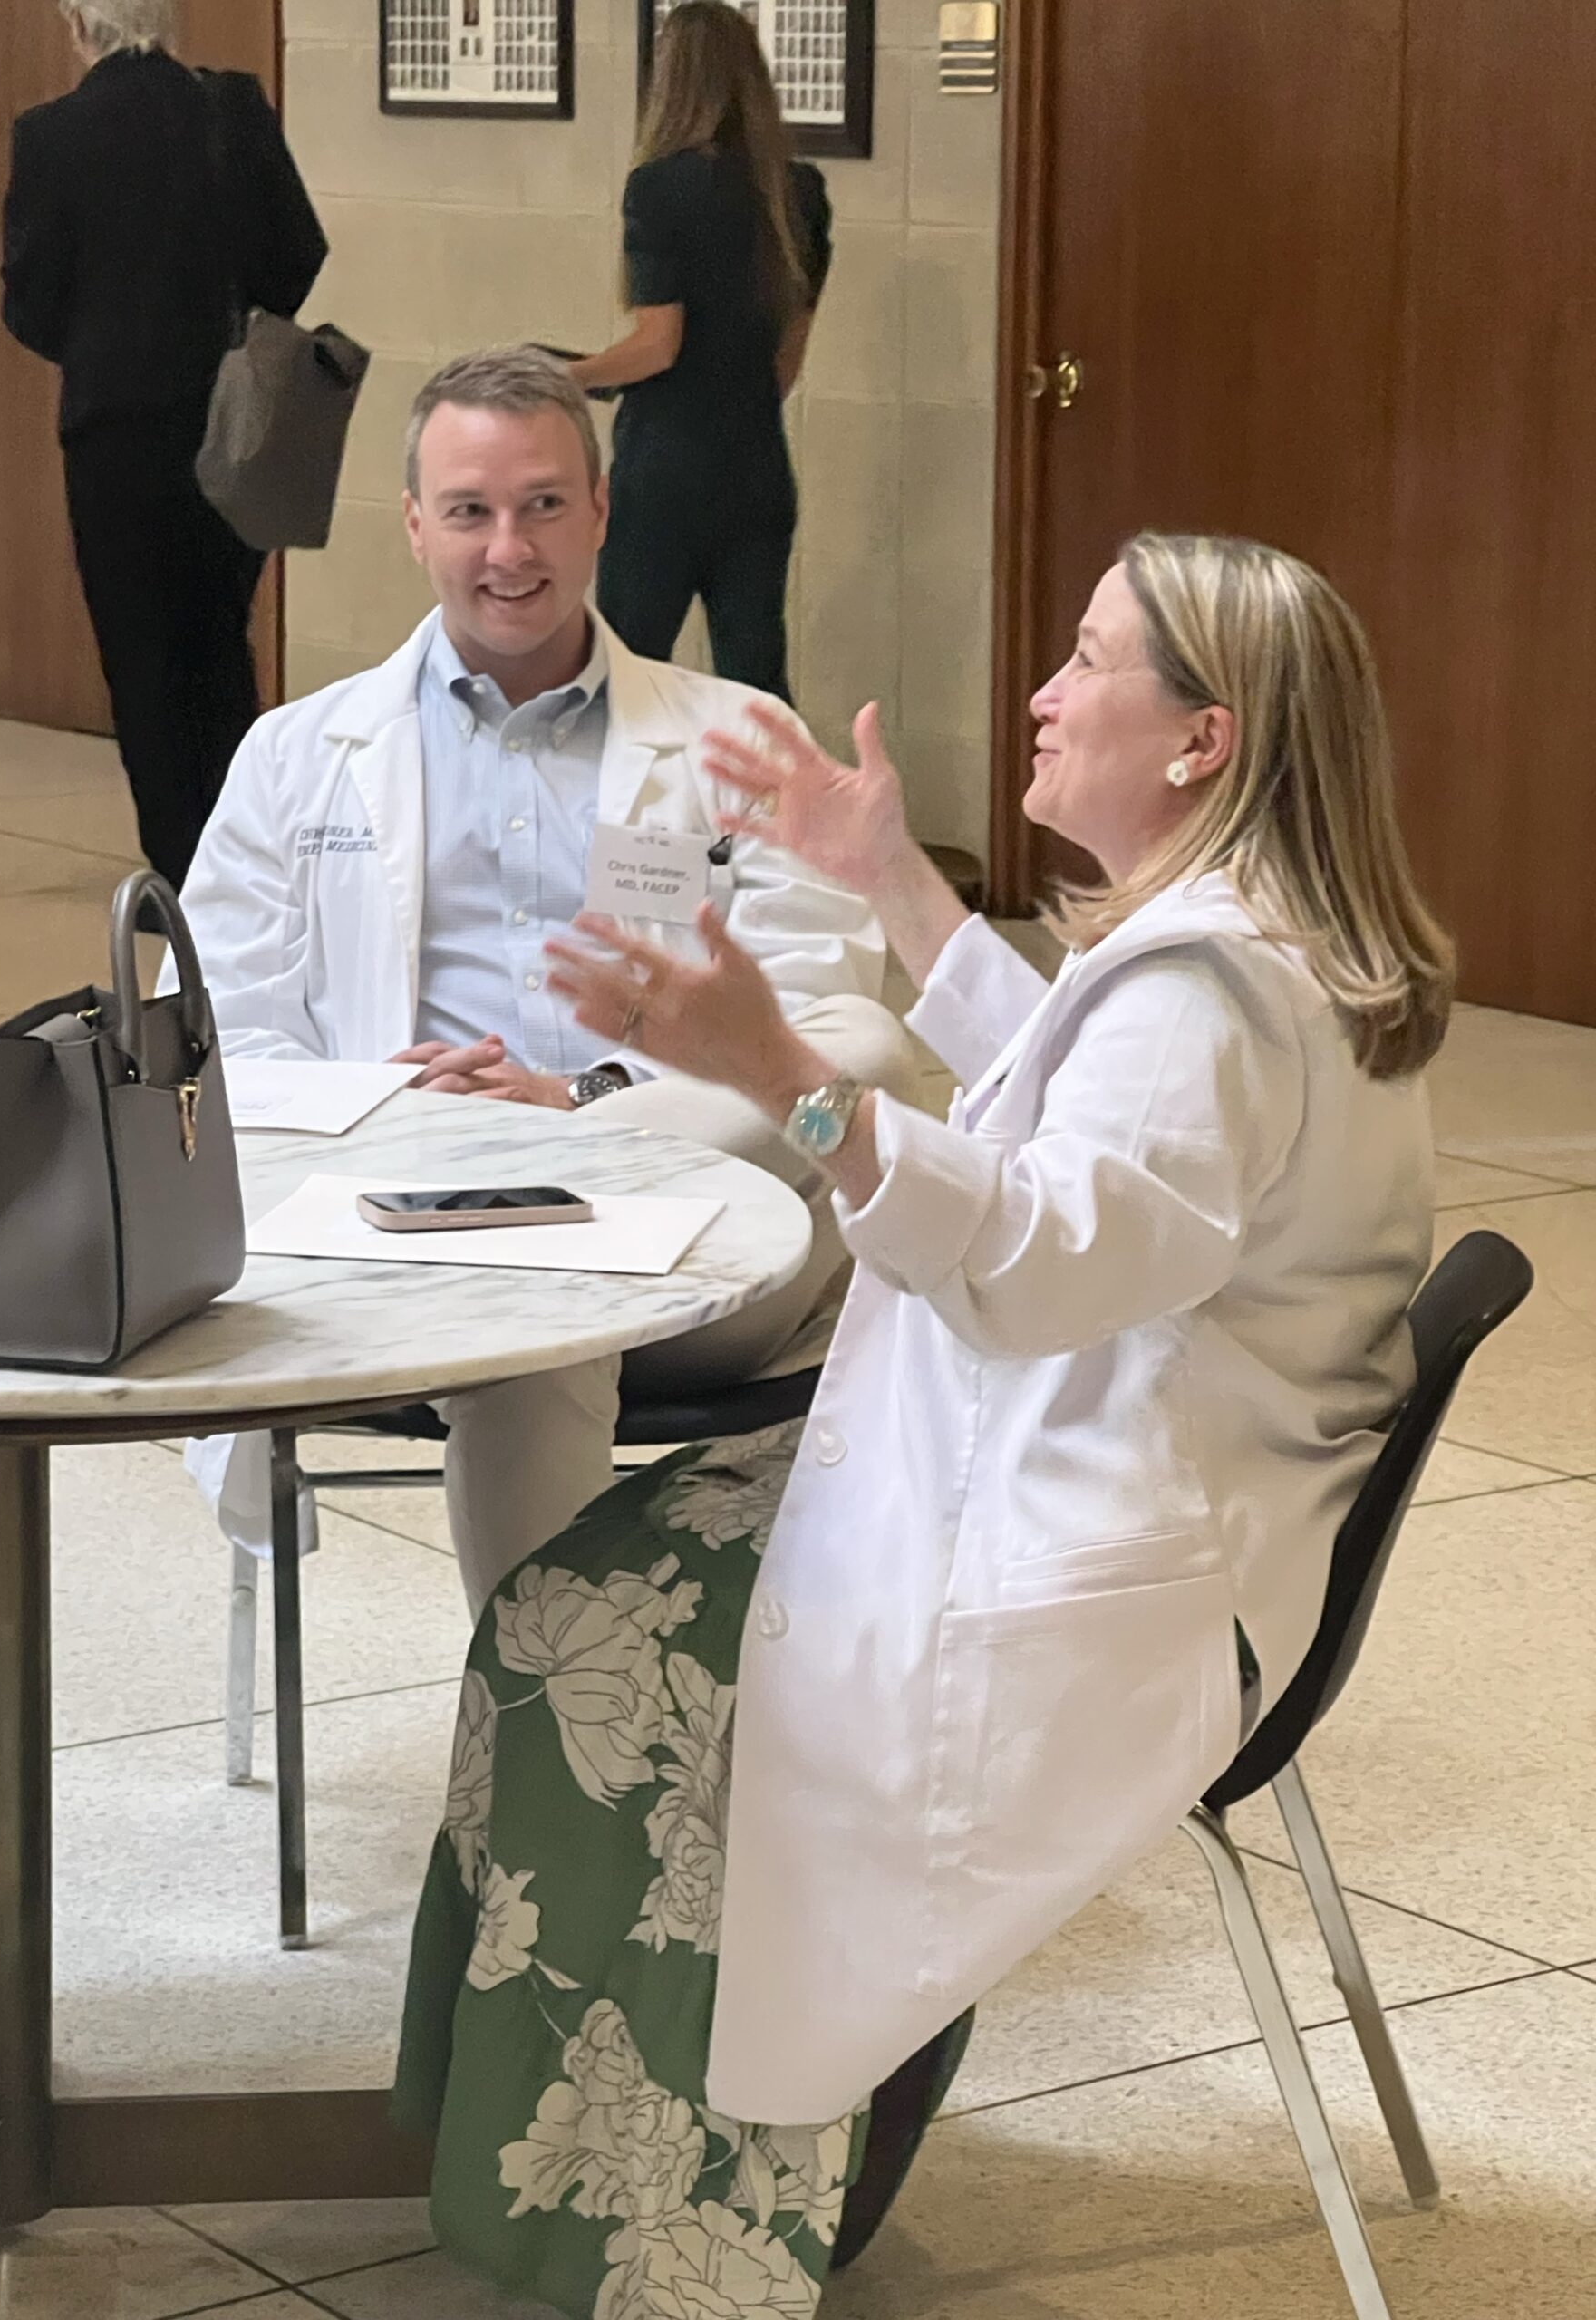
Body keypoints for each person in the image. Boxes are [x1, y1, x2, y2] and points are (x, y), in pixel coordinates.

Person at [392, 534, 1456, 2318]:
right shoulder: (1253, 948)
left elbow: (1037, 1260)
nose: (1042, 691)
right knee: (604, 1586)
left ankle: (679, 2218)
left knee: (574, 1640)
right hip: (1169, 1506)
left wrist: (786, 1077)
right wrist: (892, 883)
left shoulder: (1206, 993)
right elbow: (1089, 1122)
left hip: (1111, 1570)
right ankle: (675, 2152)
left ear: (1203, 738)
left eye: (1090, 659)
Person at [176, 344, 917, 1611]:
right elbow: (216, 1040)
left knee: (865, 1041)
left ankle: (535, 1722)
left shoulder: (738, 740)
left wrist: (581, 1107)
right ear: (415, 525)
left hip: (702, 1238)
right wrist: (405, 1107)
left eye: (544, 505)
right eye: (470, 511)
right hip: (405, 1229)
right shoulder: (297, 755)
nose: (508, 549)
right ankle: (540, 1717)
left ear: (603, 511)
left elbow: (810, 1019)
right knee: (535, 1311)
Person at [1, 0, 327, 890]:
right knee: (220, 646)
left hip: (115, 434)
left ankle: (185, 873)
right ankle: (248, 859)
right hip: (235, 419)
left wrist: (103, 343)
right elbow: (298, 253)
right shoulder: (234, 110)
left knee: (142, 662)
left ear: (80, 23)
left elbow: (28, 300)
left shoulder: (51, 135)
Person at [569, 0, 831, 701]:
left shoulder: (658, 187)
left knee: (628, 674)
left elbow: (659, 345)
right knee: (755, 683)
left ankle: (630, 783)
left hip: (665, 471)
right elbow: (785, 366)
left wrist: (571, 376)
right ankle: (771, 781)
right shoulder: (799, 195)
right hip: (757, 466)